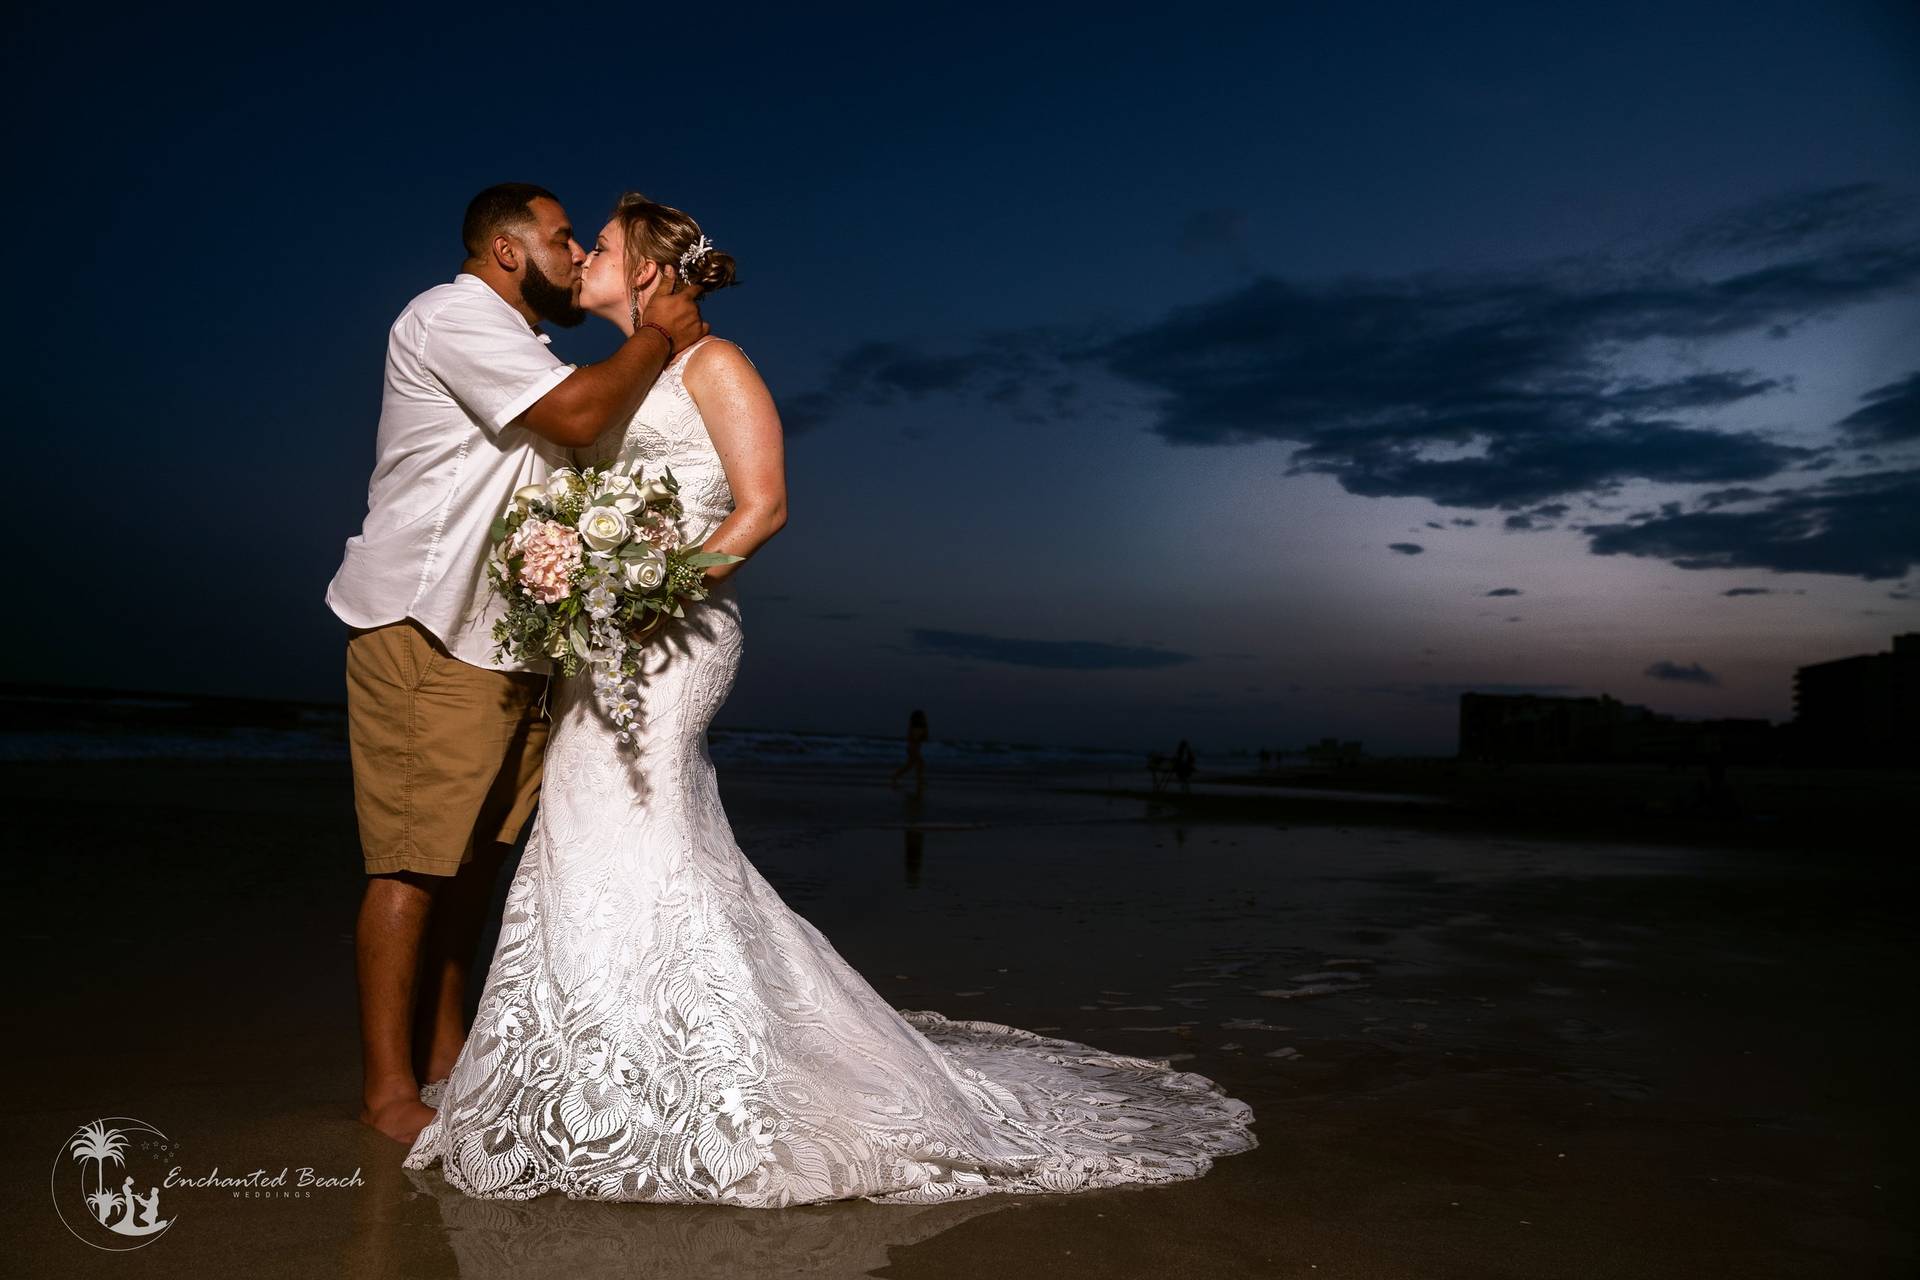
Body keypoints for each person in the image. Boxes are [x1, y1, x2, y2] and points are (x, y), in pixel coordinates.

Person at [401, 194, 1257, 1206]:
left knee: (646, 831)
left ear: (645, 271)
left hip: (674, 639)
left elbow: (764, 506)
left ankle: (700, 1078)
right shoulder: (611, 376)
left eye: (601, 246)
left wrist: (655, 589)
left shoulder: (718, 365)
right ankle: (598, 1070)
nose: (581, 255)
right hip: (600, 649)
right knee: (583, 837)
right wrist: (577, 575)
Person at [326, 183, 707, 1145]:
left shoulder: (524, 347)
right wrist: (659, 336)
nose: (577, 254)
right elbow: (579, 417)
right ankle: (386, 1094)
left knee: (475, 864)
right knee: (412, 864)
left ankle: (450, 1062)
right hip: (428, 628)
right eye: (562, 238)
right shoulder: (452, 314)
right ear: (506, 251)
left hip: (506, 646)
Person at [889, 708, 928, 792]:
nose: (923, 717)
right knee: (919, 764)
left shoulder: (919, 726)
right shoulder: (913, 727)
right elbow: (915, 738)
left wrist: (925, 727)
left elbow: (924, 738)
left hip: (915, 748)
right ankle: (919, 781)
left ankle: (895, 777)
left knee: (911, 766)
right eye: (922, 716)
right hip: (912, 748)